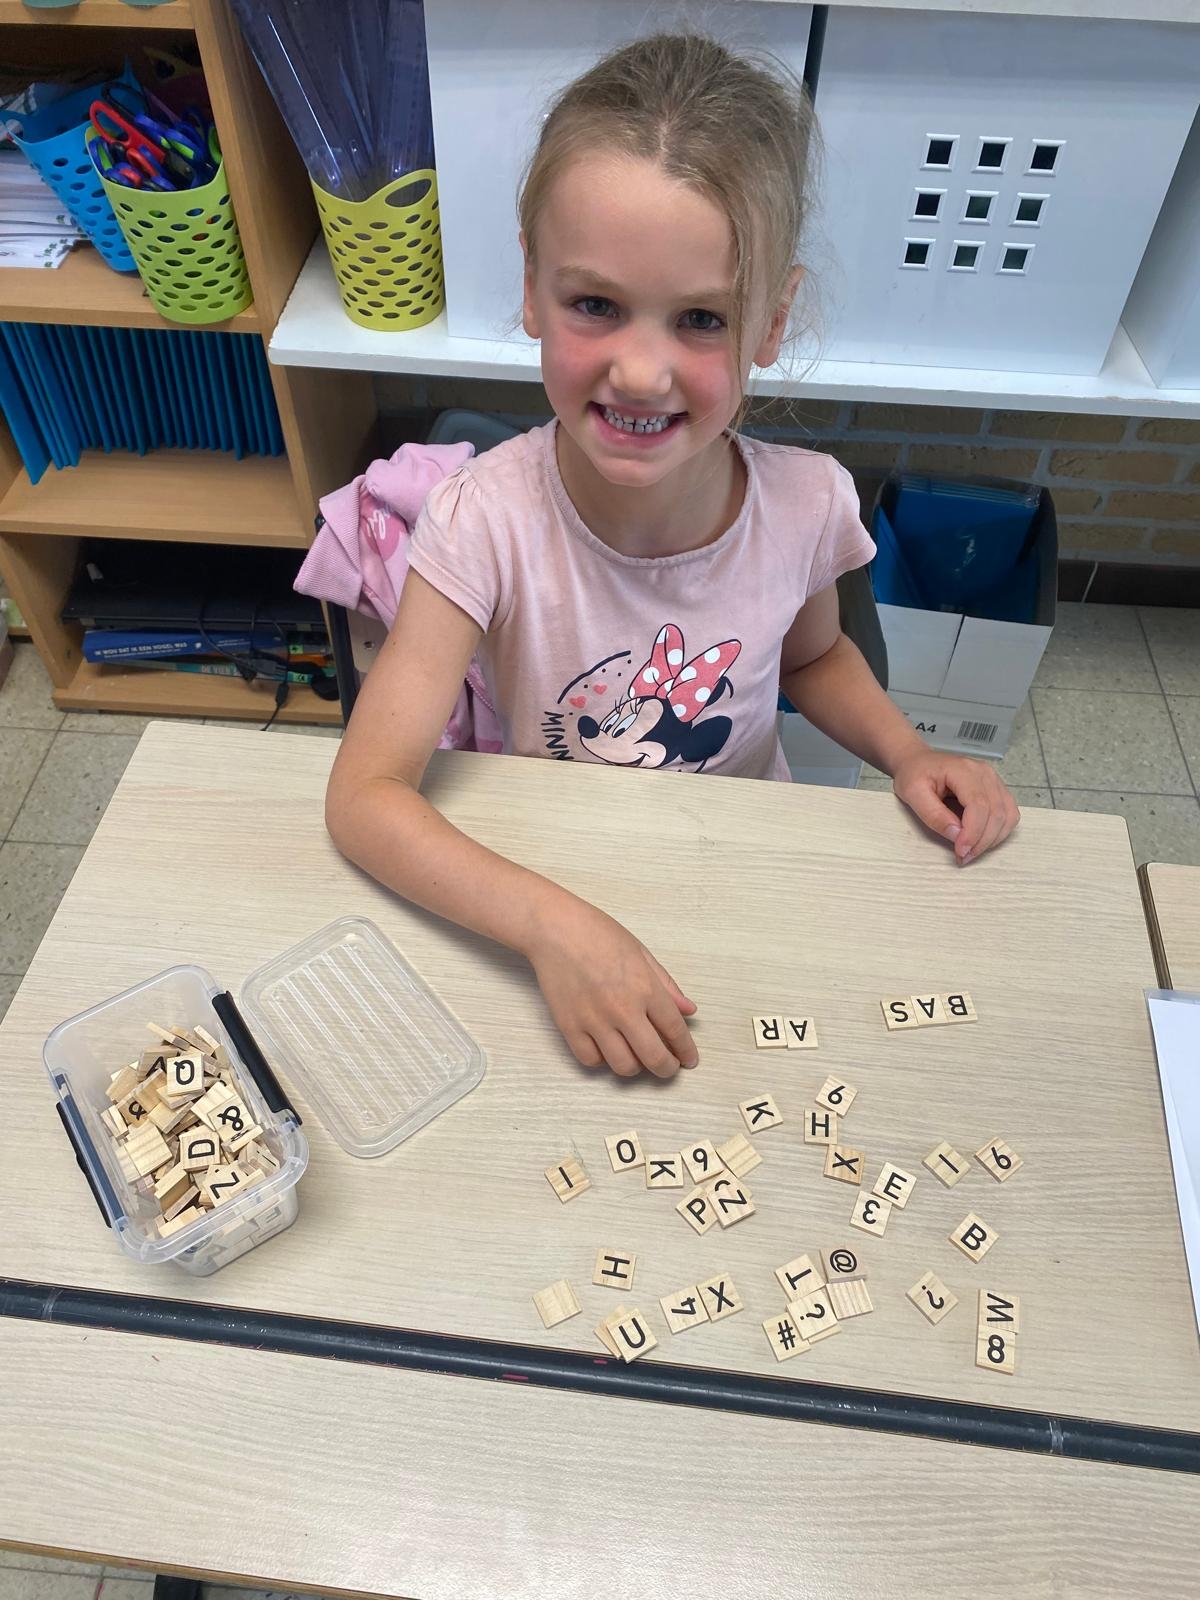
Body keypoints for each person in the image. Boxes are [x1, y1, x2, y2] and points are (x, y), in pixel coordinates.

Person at [325, 32, 1019, 1082]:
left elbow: (813, 658)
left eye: (701, 319)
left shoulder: (806, 504)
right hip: (547, 880)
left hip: (740, 874)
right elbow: (365, 795)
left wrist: (909, 754)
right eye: (595, 305)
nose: (642, 371)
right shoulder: (480, 521)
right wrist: (550, 925)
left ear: (771, 323)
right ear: (531, 288)